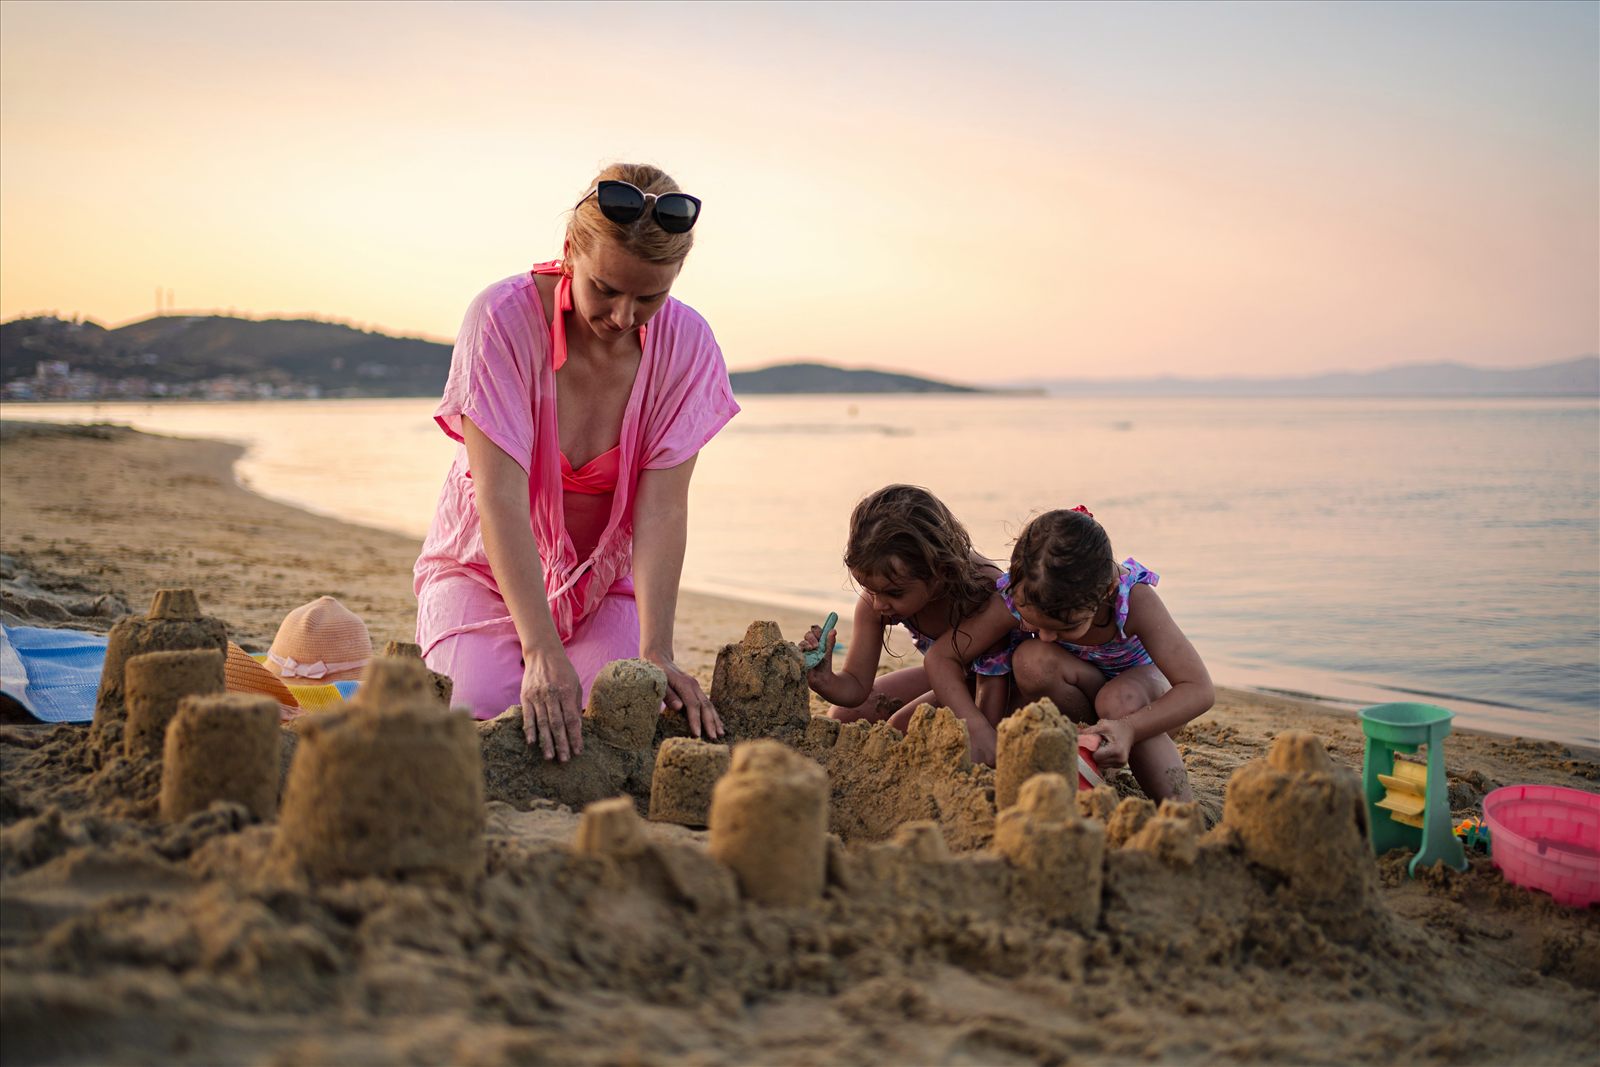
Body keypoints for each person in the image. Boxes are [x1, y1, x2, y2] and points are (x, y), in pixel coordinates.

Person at [414, 163, 738, 762]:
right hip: (485, 571)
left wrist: (658, 650)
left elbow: (663, 510)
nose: (623, 317)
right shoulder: (502, 318)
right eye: (606, 290)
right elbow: (499, 497)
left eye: (650, 297)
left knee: (614, 712)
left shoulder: (689, 345)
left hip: (602, 585)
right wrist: (540, 648)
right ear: (569, 252)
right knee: (476, 710)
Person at [931, 505, 1212, 801]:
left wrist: (1129, 728)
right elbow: (941, 657)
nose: (1046, 637)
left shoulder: (1133, 601)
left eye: (1065, 627)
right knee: (1030, 660)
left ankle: (1181, 810)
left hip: (1144, 706)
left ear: (1106, 592)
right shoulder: (1024, 592)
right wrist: (977, 728)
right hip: (1084, 698)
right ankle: (1088, 746)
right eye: (1033, 621)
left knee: (1118, 699)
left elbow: (1199, 689)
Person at [797, 484, 1028, 765]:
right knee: (843, 716)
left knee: (900, 727)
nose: (879, 604)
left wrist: (981, 738)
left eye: (893, 593)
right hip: (953, 675)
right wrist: (825, 680)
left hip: (1009, 682)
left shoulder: (981, 590)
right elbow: (855, 685)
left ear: (939, 573)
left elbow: (992, 685)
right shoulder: (879, 597)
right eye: (869, 588)